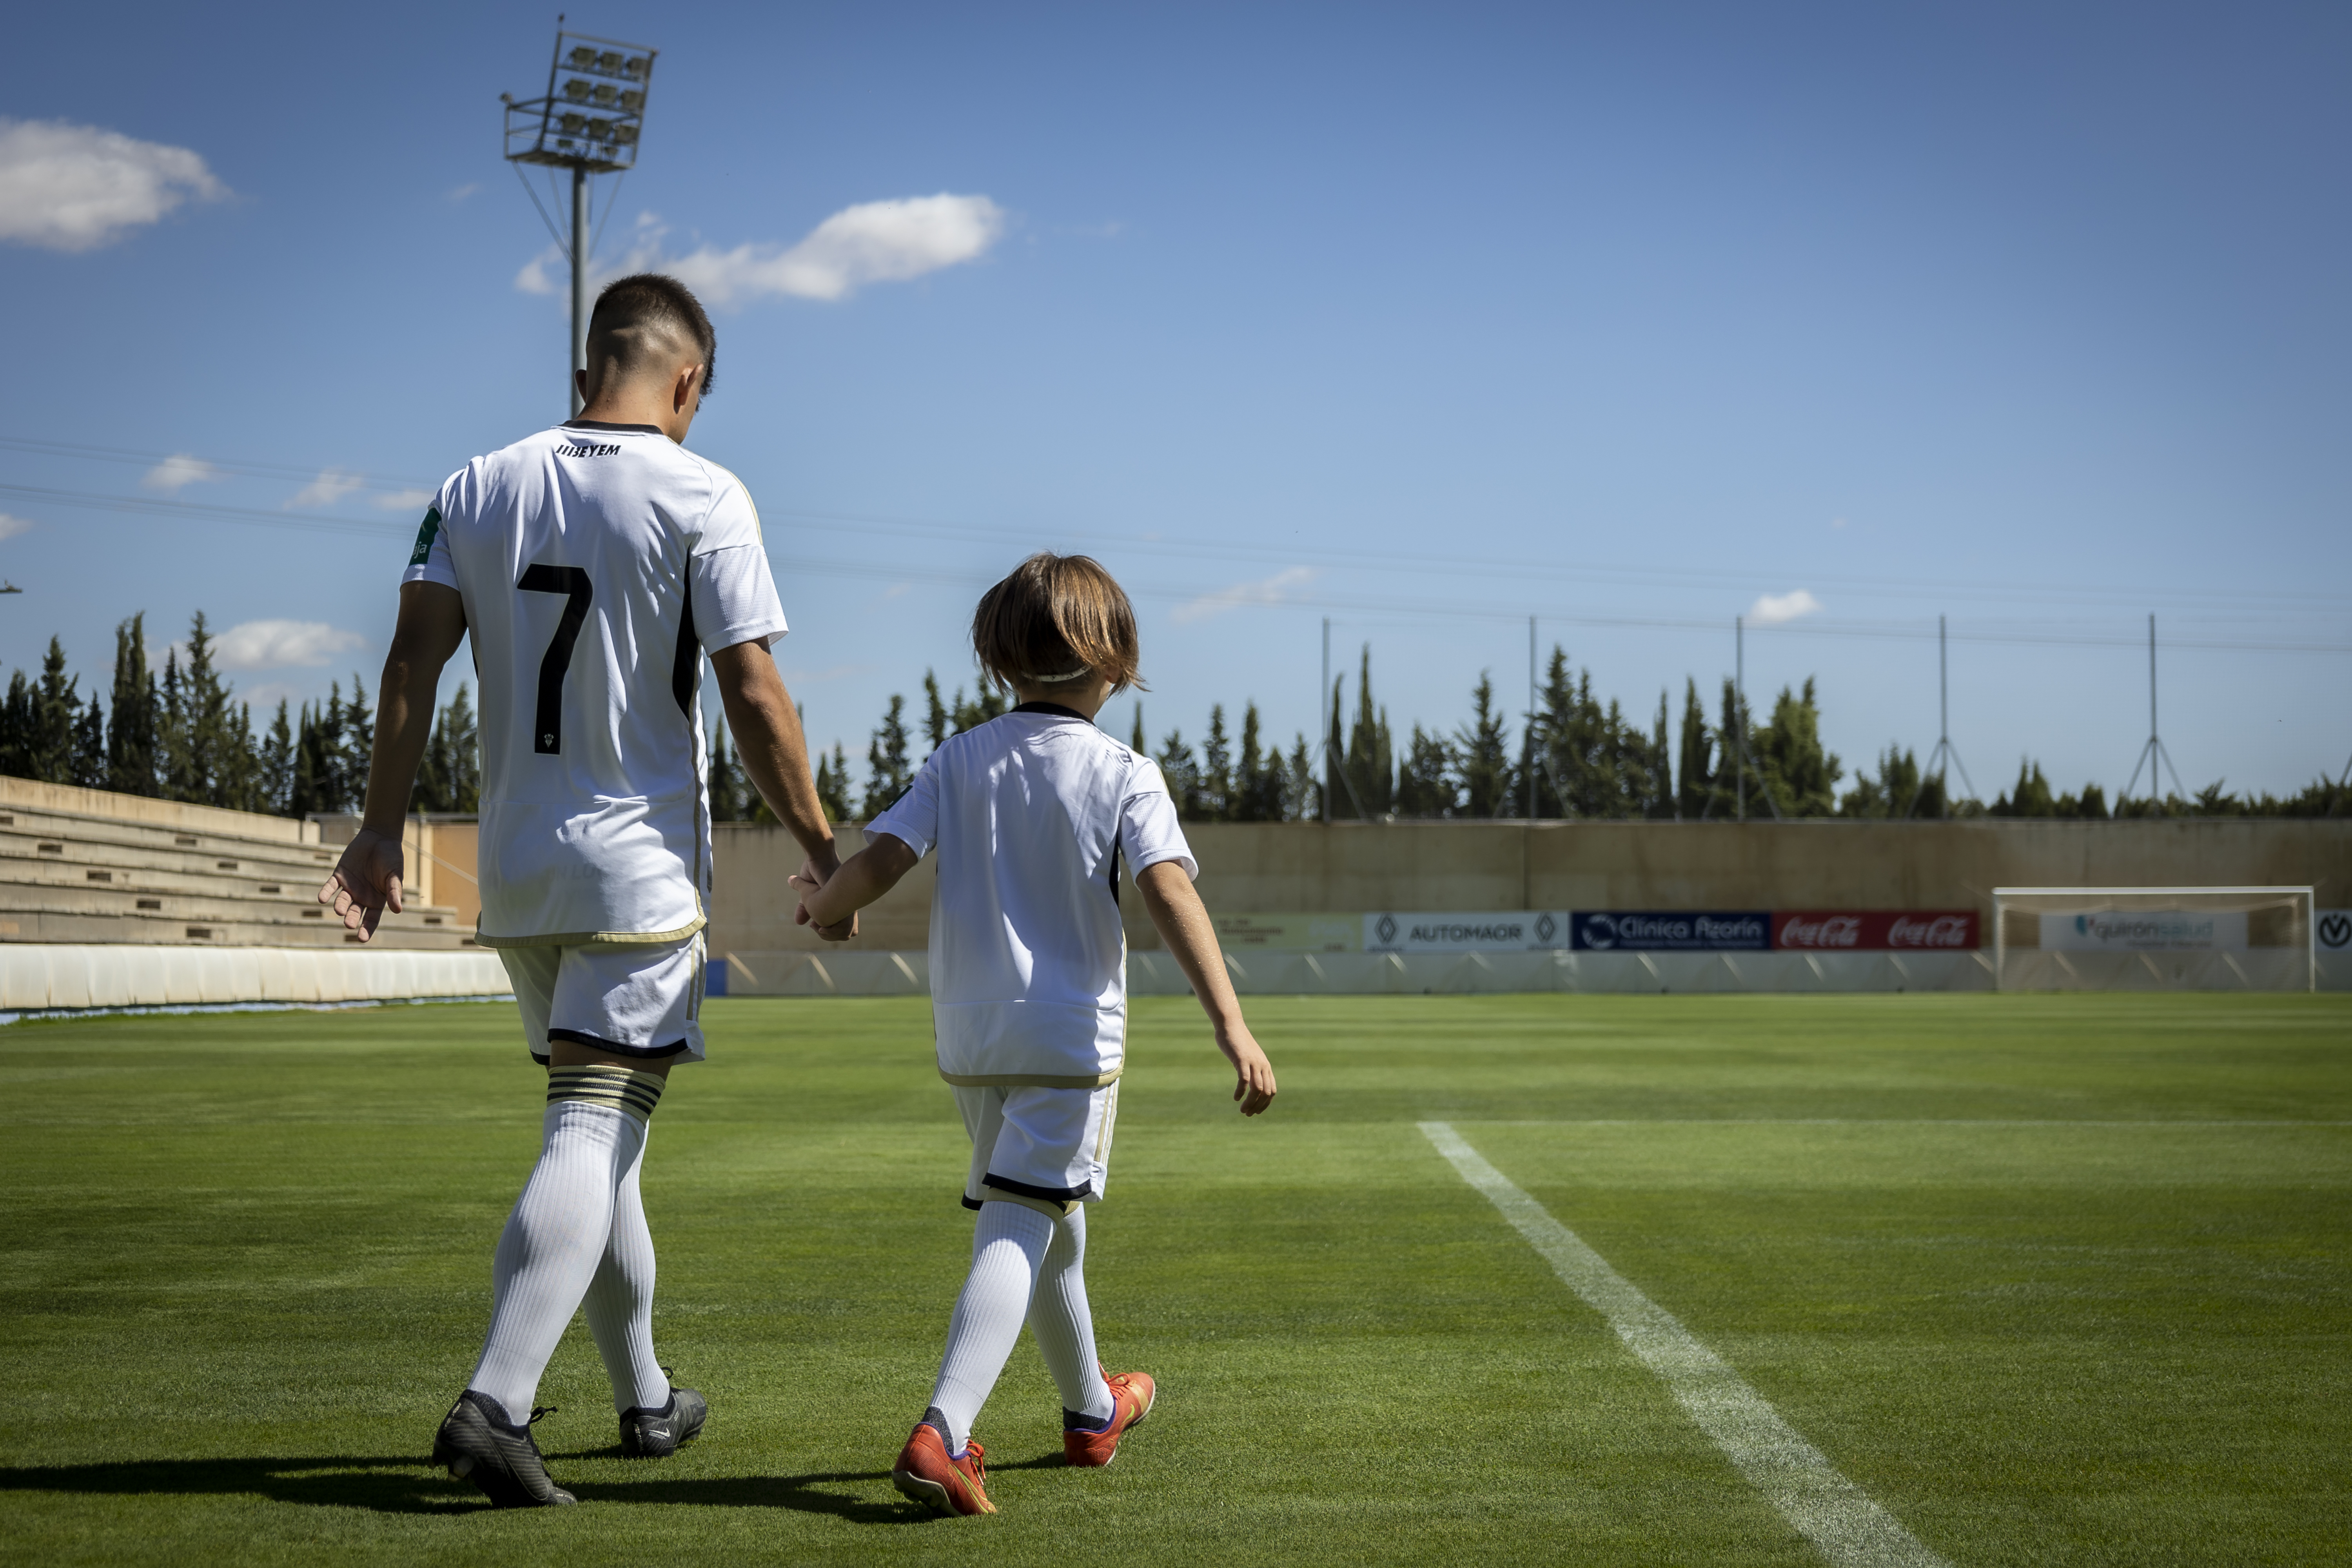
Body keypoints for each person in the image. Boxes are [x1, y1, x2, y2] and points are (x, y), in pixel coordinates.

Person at [319, 273, 852, 1508]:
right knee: (590, 1128)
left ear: (582, 375)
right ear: (687, 383)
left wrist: (380, 830)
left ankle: (646, 1395)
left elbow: (411, 658)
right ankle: (496, 1405)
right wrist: (827, 851)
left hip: (517, 870)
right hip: (637, 872)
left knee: (598, 1136)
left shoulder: (473, 483)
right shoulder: (705, 491)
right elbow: (755, 696)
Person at [791, 551, 1278, 1518]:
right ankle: (945, 1429)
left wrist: (826, 903)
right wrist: (1232, 1023)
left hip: (973, 1039)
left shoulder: (956, 757)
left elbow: (882, 857)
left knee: (1053, 1222)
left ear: (1002, 658)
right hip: (1068, 1039)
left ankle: (1093, 1410)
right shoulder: (1125, 771)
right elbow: (1170, 890)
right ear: (1113, 663)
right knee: (1022, 1223)